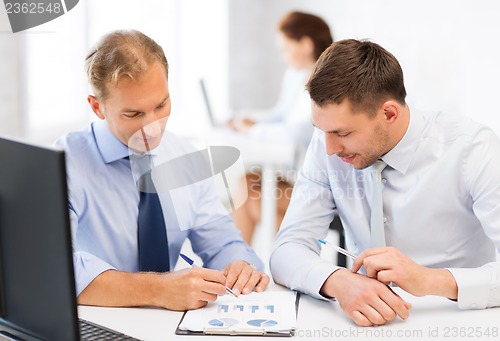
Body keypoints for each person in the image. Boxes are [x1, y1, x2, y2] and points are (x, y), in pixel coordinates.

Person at [270, 39, 500, 327]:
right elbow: (287, 249)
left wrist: (429, 279)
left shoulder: (473, 150)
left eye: (343, 132)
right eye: (322, 130)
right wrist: (338, 281)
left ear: (389, 113)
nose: (329, 148)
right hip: (363, 325)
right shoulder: (326, 145)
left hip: (460, 322)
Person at [55, 29, 269, 311]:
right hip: (96, 321)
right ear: (98, 107)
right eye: (133, 114)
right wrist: (158, 290)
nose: (153, 126)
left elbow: (222, 243)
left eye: (161, 105)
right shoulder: (63, 162)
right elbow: (55, 266)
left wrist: (240, 265)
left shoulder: (186, 158)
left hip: (166, 325)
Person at [230, 11, 333, 244]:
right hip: (296, 177)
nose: (284, 57)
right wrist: (250, 120)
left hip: (320, 187)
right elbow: (280, 115)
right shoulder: (296, 76)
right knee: (247, 184)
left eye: (286, 49)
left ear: (305, 45)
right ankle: (240, 268)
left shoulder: (327, 83)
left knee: (255, 199)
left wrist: (253, 130)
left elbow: (299, 131)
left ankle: (245, 269)